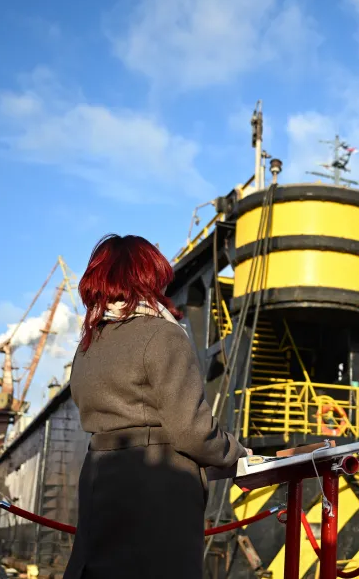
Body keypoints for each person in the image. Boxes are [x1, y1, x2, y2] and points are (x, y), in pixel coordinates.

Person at [64, 234, 248, 579]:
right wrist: (239, 455)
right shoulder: (163, 335)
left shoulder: (87, 346)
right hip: (158, 489)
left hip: (99, 481)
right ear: (149, 277)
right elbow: (192, 432)